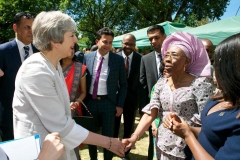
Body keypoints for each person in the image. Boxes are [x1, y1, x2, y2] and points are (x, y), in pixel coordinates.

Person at [12, 11, 125, 160]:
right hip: (38, 152)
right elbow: (61, 126)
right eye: (71, 35)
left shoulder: (52, 64)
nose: (76, 40)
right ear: (55, 41)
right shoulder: (35, 71)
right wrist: (109, 142)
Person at [123, 32, 213, 160]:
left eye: (174, 55)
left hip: (189, 148)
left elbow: (208, 120)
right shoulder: (161, 83)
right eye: (166, 55)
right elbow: (151, 111)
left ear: (187, 60)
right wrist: (134, 136)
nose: (168, 59)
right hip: (162, 145)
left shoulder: (200, 84)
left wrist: (186, 130)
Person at [164, 32, 240, 160]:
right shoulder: (221, 97)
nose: (214, 70)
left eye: (218, 64)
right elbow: (209, 133)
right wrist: (186, 128)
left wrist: (187, 135)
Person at [84, 27, 127, 160]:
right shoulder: (87, 57)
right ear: (97, 41)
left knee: (109, 137)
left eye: (110, 42)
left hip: (109, 104)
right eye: (104, 41)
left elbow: (124, 85)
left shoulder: (118, 60)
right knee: (91, 135)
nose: (107, 45)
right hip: (90, 102)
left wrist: (119, 105)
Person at [0, 12, 38, 141]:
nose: (31, 31)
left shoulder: (40, 52)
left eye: (33, 28)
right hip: (9, 118)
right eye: (27, 27)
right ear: (15, 28)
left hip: (37, 117)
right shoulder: (3, 51)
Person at [139, 24, 166, 160]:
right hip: (153, 108)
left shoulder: (175, 56)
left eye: (156, 38)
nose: (153, 41)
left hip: (172, 107)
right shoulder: (145, 59)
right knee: (153, 139)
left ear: (164, 37)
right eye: (150, 39)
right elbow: (142, 85)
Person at [113, 34, 142, 160]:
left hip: (132, 99)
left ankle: (126, 151)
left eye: (131, 44)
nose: (128, 46)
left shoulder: (141, 59)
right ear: (121, 43)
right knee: (114, 125)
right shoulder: (114, 57)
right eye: (126, 43)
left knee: (129, 126)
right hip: (116, 98)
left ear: (134, 44)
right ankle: (113, 148)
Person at [60, 46, 87, 160]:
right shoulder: (53, 66)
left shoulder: (80, 68)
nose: (71, 51)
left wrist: (76, 102)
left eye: (73, 49)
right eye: (69, 47)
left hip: (73, 111)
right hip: (55, 110)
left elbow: (84, 92)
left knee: (72, 143)